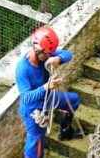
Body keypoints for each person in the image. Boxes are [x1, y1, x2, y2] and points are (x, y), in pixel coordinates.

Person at [16, 26, 81, 158]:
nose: (49, 56)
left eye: (50, 54)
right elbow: (26, 98)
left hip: (49, 97)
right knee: (36, 141)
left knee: (74, 100)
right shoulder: (23, 69)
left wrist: (59, 59)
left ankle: (65, 129)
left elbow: (68, 54)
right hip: (33, 108)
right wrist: (46, 87)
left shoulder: (46, 53)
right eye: (47, 54)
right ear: (37, 50)